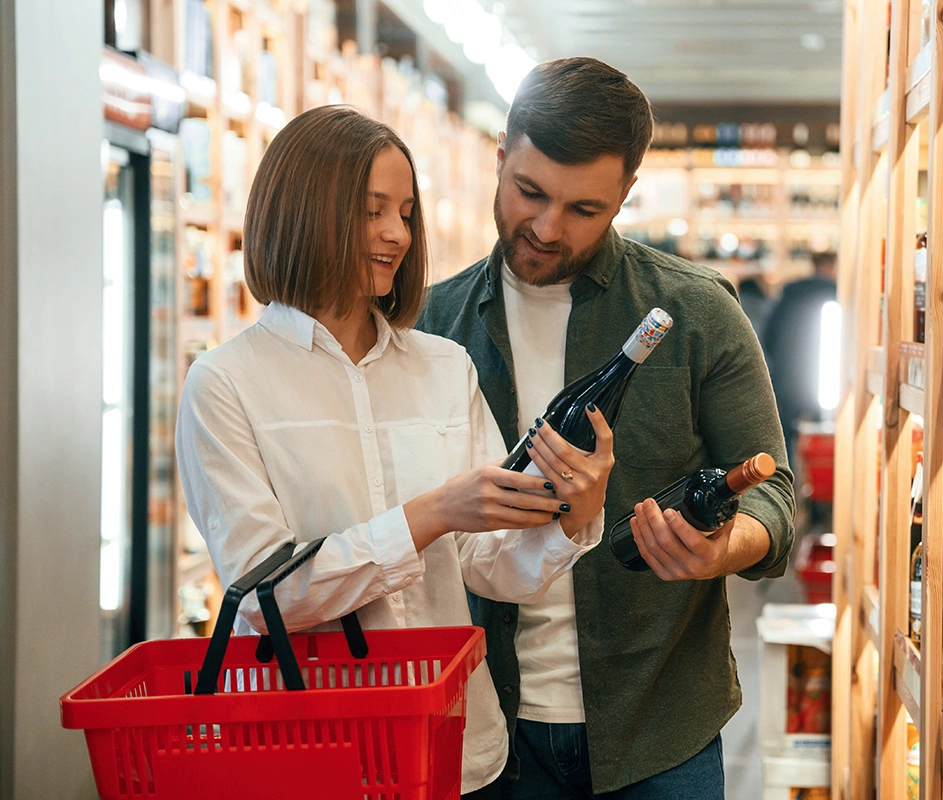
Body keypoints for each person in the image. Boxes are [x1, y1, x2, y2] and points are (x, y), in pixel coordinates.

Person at [174, 105, 615, 800]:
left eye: (406, 212)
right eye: (372, 210)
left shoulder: (444, 368)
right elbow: (267, 599)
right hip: (315, 757)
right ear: (302, 212)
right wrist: (430, 514)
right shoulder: (226, 385)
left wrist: (567, 519)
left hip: (461, 753)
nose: (396, 234)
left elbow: (488, 566)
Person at [417, 58, 796, 798]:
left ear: (625, 195)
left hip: (660, 728)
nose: (546, 227)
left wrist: (726, 545)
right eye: (529, 192)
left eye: (584, 209)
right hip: (484, 729)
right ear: (500, 158)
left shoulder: (695, 312)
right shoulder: (431, 326)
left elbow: (772, 492)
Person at [760, 251, 840, 452]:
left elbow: (768, 334)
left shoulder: (790, 295)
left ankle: (788, 480)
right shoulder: (837, 296)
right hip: (825, 377)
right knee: (822, 439)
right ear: (832, 266)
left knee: (785, 439)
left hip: (787, 375)